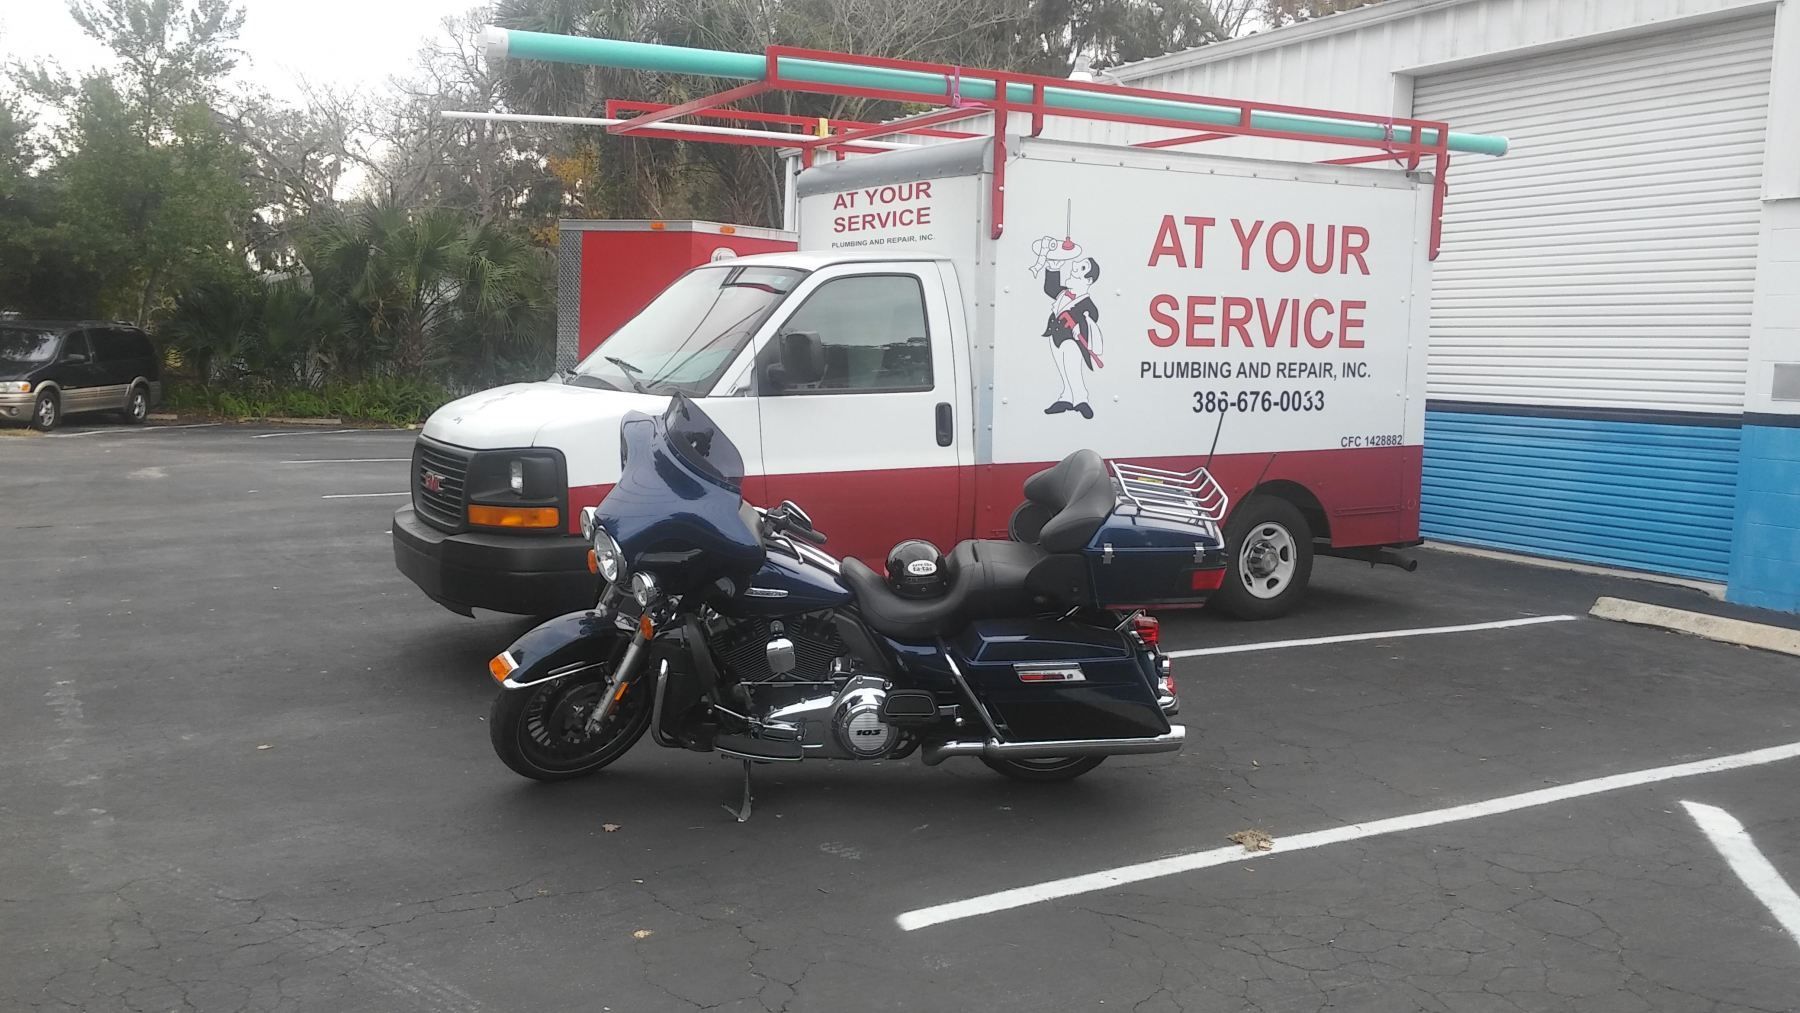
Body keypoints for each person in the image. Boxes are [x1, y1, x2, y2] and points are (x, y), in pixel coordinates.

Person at [1029, 234, 1104, 420]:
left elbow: (1092, 316)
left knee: (1072, 369)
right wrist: (1053, 267)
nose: (1074, 269)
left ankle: (1081, 399)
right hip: (1055, 336)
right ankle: (1066, 397)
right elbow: (1050, 288)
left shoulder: (1086, 302)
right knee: (1062, 369)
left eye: (1081, 268)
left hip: (1072, 341)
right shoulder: (1065, 293)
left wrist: (1081, 326)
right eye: (1076, 266)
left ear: (1088, 280)